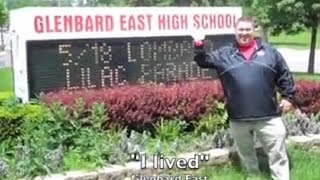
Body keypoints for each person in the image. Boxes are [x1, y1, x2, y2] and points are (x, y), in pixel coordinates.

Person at [193, 16, 295, 180]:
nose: (244, 33)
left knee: (277, 155)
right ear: (235, 32)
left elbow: (284, 74)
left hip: (269, 117)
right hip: (238, 118)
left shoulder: (270, 52)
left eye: (247, 29)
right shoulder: (224, 54)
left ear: (253, 31)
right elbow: (203, 61)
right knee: (247, 156)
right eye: (240, 30)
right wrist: (198, 44)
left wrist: (289, 97)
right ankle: (252, 177)